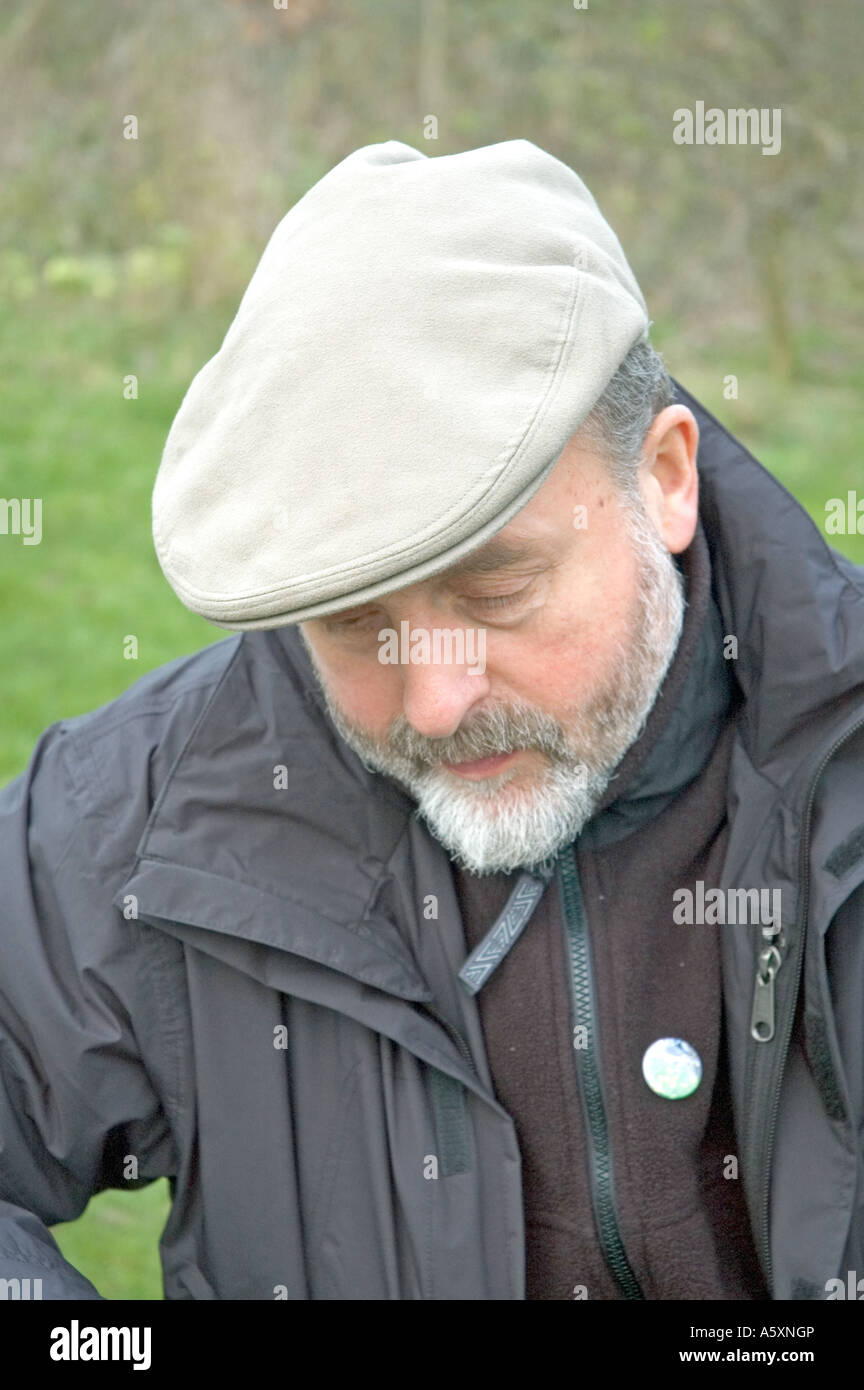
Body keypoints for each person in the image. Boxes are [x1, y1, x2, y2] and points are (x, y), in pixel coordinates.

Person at [1, 139, 862, 1301]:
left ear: (662, 477)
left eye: (497, 595)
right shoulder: (149, 812)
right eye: (354, 627)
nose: (436, 701)